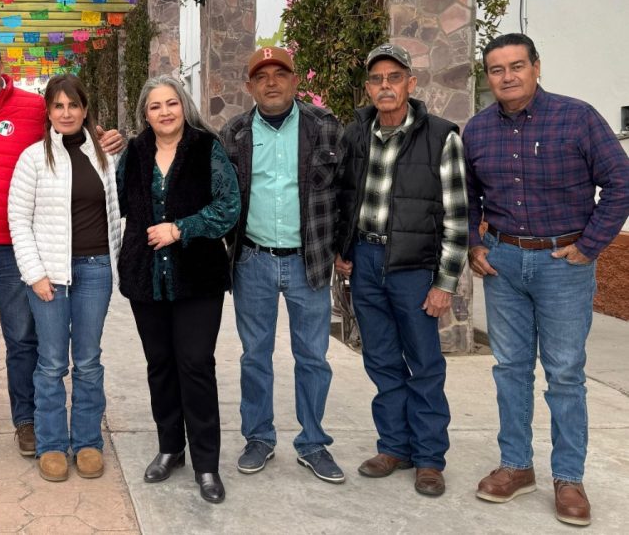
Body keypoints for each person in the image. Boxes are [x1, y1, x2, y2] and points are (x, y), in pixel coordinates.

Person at [0, 34, 123, 457]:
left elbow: (72, 127)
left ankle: (27, 420)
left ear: (1, 66)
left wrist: (106, 138)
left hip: (15, 247)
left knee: (24, 339)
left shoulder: (34, 108)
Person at [464, 33, 629, 527]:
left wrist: (590, 244)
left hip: (564, 263)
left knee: (563, 372)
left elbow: (620, 182)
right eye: (496, 69)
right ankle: (516, 466)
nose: (507, 77)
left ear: (536, 66)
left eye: (517, 66)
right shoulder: (477, 130)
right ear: (488, 76)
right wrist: (476, 241)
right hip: (504, 263)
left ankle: (568, 477)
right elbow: (467, 194)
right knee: (510, 368)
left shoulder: (577, 117)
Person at [334, 43, 468, 497]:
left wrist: (445, 283)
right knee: (382, 360)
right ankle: (394, 446)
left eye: (394, 77)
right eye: (376, 79)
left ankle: (429, 458)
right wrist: (343, 247)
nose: (385, 86)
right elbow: (345, 197)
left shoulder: (441, 136)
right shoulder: (357, 134)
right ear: (369, 87)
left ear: (411, 84)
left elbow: (456, 215)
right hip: (367, 262)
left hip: (413, 268)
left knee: (425, 364)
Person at [220, 46, 346, 483]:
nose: (271, 82)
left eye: (280, 74)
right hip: (252, 260)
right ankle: (259, 437)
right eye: (261, 76)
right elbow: (220, 197)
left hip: (308, 262)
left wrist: (342, 249)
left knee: (312, 356)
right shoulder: (233, 133)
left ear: (295, 81)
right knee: (255, 356)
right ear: (249, 86)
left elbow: (345, 193)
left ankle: (313, 443)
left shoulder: (325, 127)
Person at [118, 75, 240, 504]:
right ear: (145, 114)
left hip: (197, 279)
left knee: (195, 365)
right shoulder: (132, 153)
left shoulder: (207, 148)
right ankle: (171, 447)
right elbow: (119, 202)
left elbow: (228, 208)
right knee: (160, 365)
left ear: (183, 106)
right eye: (155, 106)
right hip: (144, 277)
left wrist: (180, 229)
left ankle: (207, 465)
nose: (165, 112)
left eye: (171, 103)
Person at [7, 75, 121, 482]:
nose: (67, 113)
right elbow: (18, 220)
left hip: (95, 271)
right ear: (49, 112)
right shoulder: (33, 158)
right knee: (51, 363)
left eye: (73, 105)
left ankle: (88, 441)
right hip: (49, 276)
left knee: (88, 362)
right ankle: (52, 443)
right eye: (58, 106)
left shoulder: (104, 156)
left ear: (85, 109)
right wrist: (34, 274)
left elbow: (118, 210)